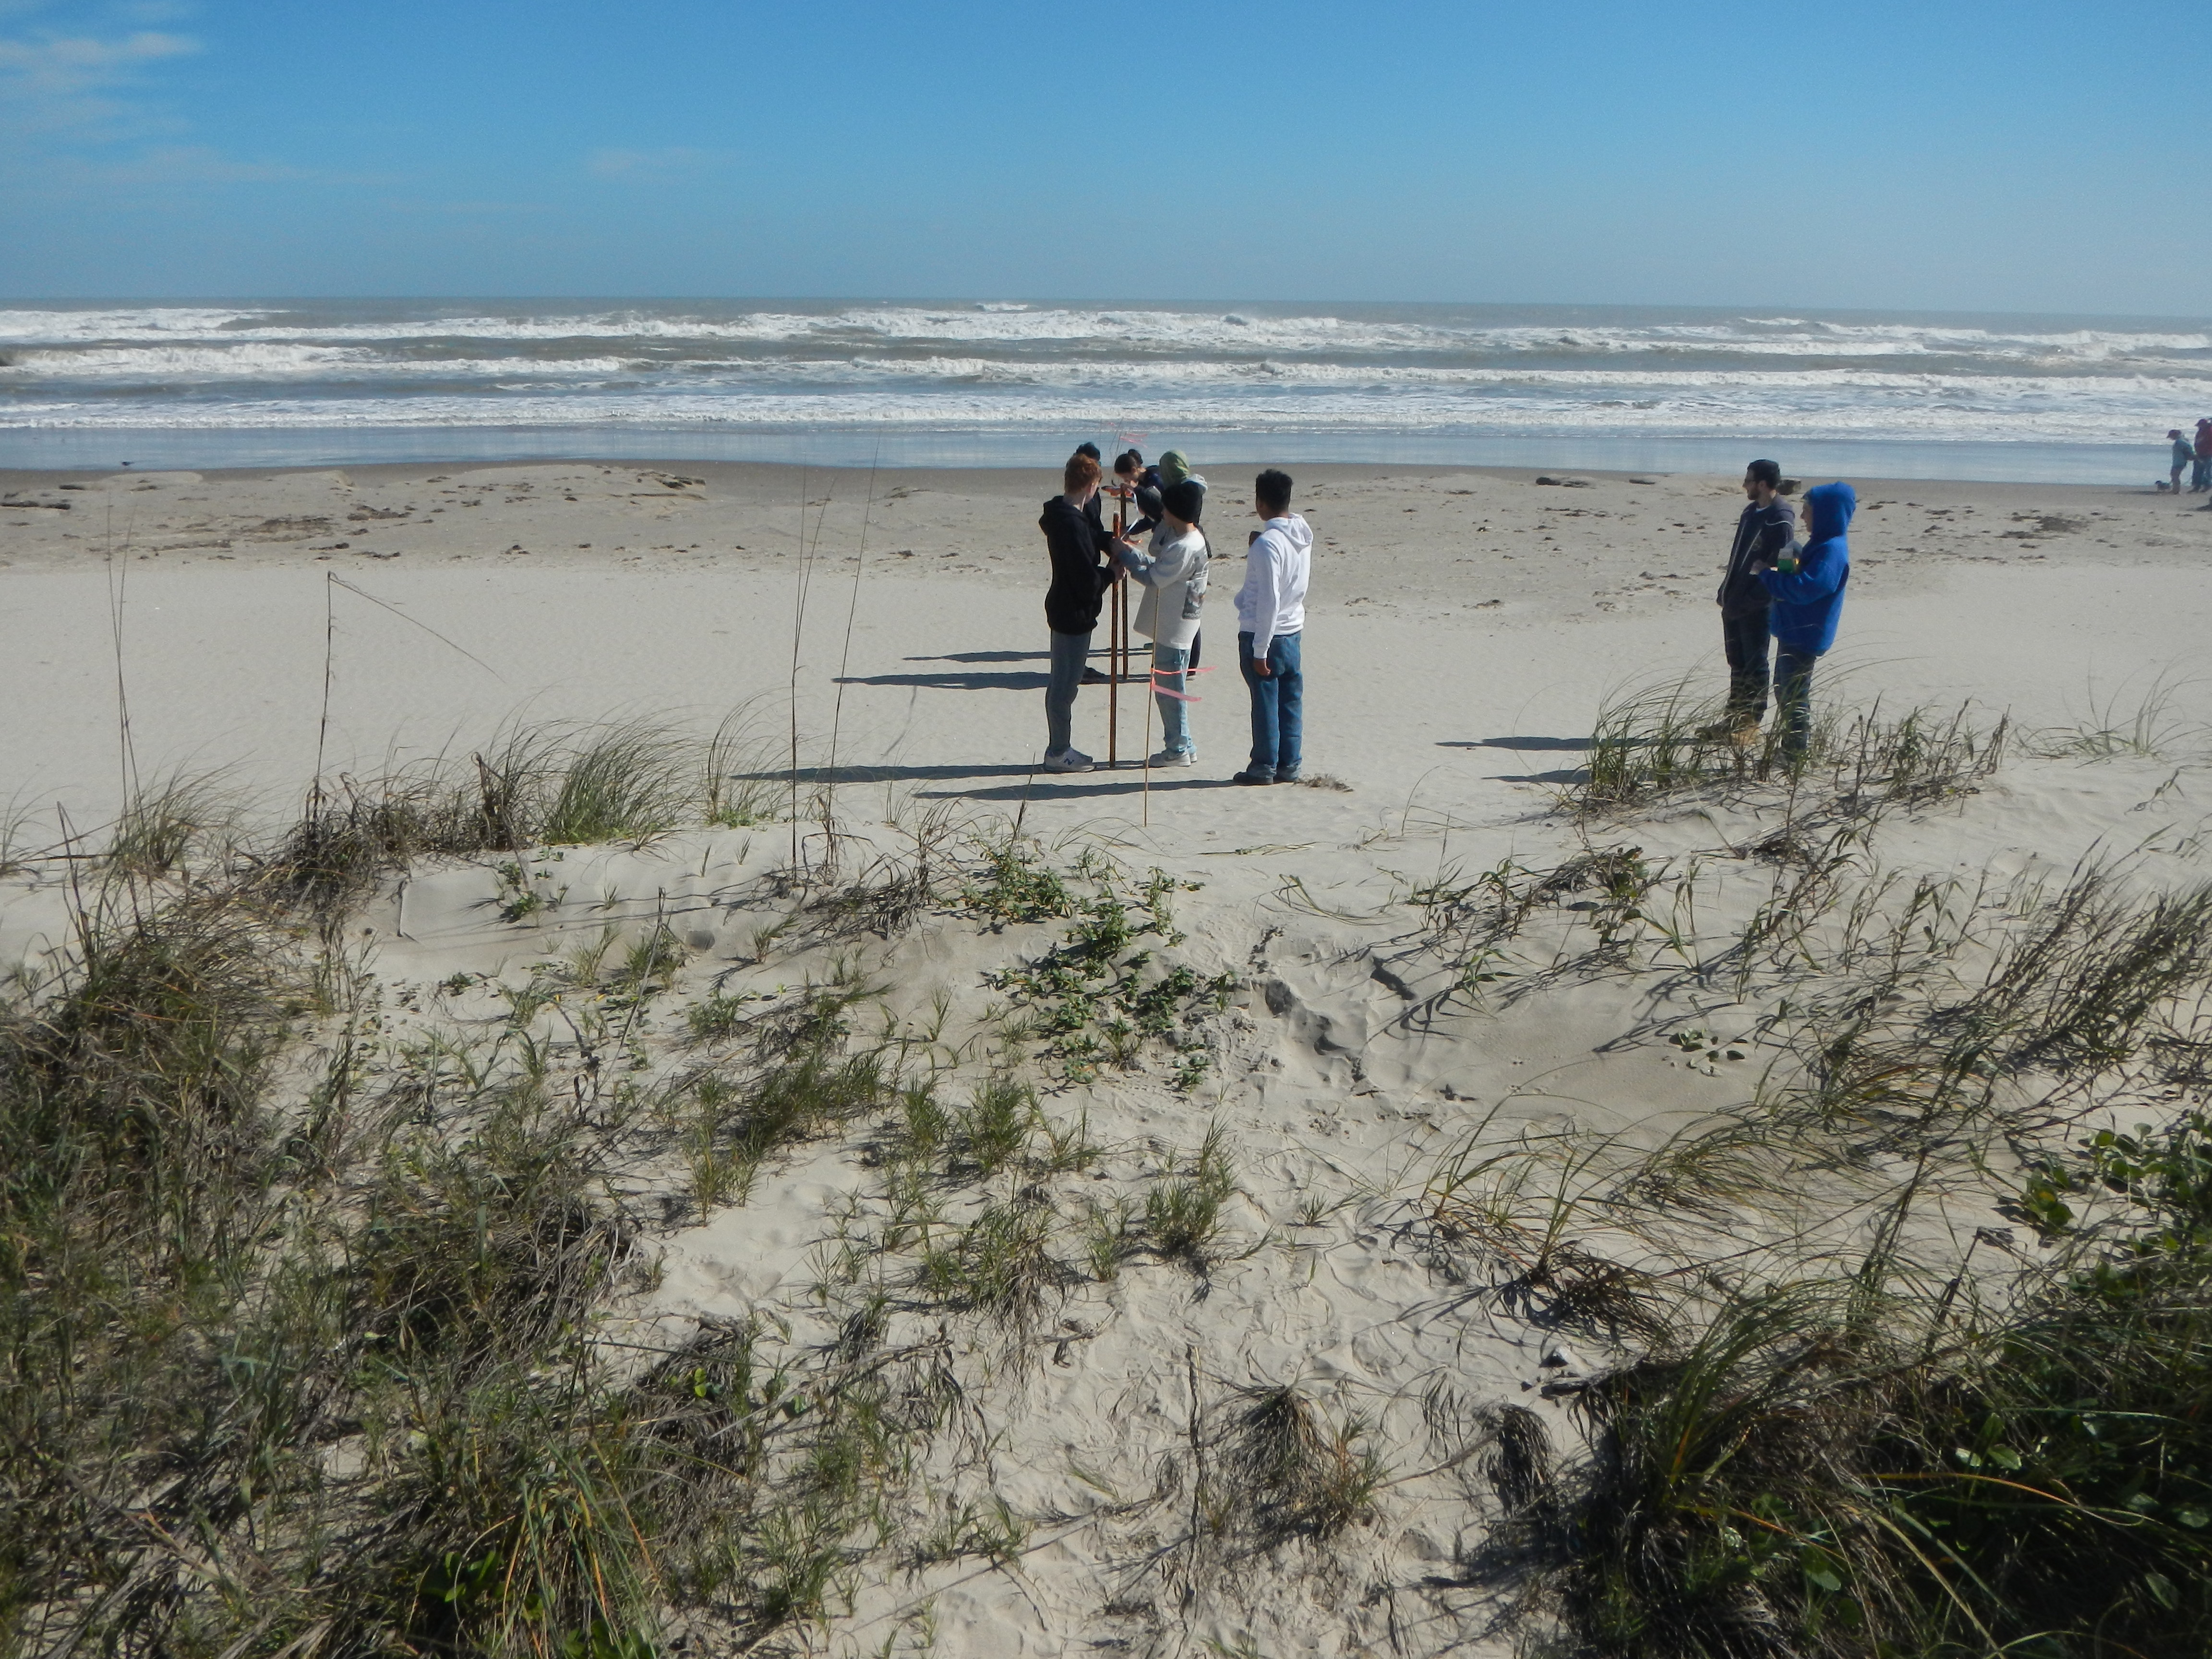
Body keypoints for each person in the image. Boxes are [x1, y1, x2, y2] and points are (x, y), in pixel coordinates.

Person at [1037, 451, 1126, 771]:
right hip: (1071, 611)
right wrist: (1111, 574)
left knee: (1063, 684)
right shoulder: (1069, 523)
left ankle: (1060, 748)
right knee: (1064, 687)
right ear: (1090, 486)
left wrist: (1110, 543)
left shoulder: (1068, 514)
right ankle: (1059, 751)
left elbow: (1091, 535)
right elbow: (1086, 582)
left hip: (1069, 607)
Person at [1113, 478, 1209, 766]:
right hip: (1179, 623)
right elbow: (1159, 562)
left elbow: (1154, 577)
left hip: (1174, 627)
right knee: (1172, 688)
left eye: (1166, 509)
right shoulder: (1189, 539)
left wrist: (1126, 558)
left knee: (1169, 692)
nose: (1162, 513)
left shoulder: (1185, 546)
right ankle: (1185, 744)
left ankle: (1177, 749)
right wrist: (1133, 554)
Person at [1759, 481, 1853, 761]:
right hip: (1793, 629)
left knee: (1793, 694)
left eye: (1808, 510)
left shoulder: (1832, 550)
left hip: (1806, 634)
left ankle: (1796, 752)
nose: (1802, 516)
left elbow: (1806, 590)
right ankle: (1792, 746)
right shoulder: (1821, 543)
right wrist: (1790, 560)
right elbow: (1802, 579)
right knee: (1784, 689)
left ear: (1825, 513)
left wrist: (1767, 575)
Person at [1233, 469, 1312, 785]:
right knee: (1289, 701)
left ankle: (1265, 765)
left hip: (1267, 632)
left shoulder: (1268, 545)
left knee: (1266, 703)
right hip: (1292, 630)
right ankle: (1289, 763)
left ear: (1260, 503)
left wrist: (1260, 649)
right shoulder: (1301, 533)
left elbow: (1269, 600)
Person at [1711, 460, 1797, 740]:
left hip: (1757, 605)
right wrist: (1727, 591)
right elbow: (1738, 556)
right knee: (1737, 663)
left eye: (1748, 480)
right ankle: (1734, 719)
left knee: (1755, 664)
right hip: (1734, 601)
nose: (1744, 485)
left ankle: (1751, 724)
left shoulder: (1781, 518)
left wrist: (1755, 597)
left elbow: (1786, 565)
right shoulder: (1750, 512)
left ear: (1762, 484)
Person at [2172, 430, 2196, 495]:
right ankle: (2175, 490)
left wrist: (2191, 455)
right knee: (2175, 475)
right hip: (2179, 461)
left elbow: (2189, 448)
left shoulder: (2180, 442)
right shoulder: (2181, 441)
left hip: (2180, 461)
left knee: (2175, 475)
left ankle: (2176, 490)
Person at [2194, 421, 2212, 493]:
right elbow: (2197, 442)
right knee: (2198, 471)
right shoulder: (2200, 432)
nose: (2199, 427)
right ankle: (2197, 486)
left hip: (2208, 454)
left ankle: (2207, 485)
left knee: (2207, 471)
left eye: (2200, 426)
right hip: (2200, 453)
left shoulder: (2210, 431)